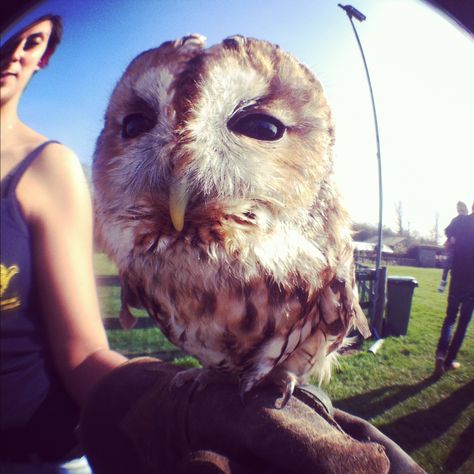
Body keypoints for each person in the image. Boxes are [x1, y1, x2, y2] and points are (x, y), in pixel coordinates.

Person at [1, 13, 427, 474]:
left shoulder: (321, 258)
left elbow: (79, 349)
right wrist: (173, 403)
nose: (182, 171)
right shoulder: (140, 260)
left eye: (261, 127)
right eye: (137, 125)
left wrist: (152, 402)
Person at [1, 15, 127, 472]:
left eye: (31, 41)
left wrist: (171, 400)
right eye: (7, 32)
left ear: (45, 56)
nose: (15, 51)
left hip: (33, 455)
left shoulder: (48, 167)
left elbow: (82, 353)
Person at [435, 201, 474, 375]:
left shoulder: (460, 221)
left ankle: (440, 355)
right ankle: (449, 360)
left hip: (457, 277)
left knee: (450, 318)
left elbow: (448, 237)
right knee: (463, 323)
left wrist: (452, 239)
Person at [438, 201, 468, 292]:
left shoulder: (467, 220)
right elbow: (447, 230)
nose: (459, 211)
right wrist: (451, 237)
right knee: (447, 266)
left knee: (456, 267)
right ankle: (443, 282)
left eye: (460, 208)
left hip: (463, 249)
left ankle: (451, 284)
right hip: (455, 248)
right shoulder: (455, 220)